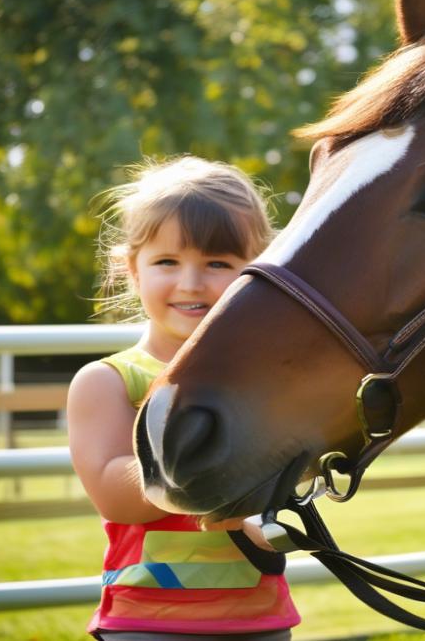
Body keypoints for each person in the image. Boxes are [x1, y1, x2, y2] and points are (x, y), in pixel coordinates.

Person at [67, 157, 300, 640]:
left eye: (217, 263)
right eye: (167, 262)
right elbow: (116, 497)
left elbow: (287, 493)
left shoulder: (267, 382)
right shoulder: (109, 381)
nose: (191, 283)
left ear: (256, 271)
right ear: (132, 271)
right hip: (148, 621)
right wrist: (217, 457)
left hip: (262, 618)